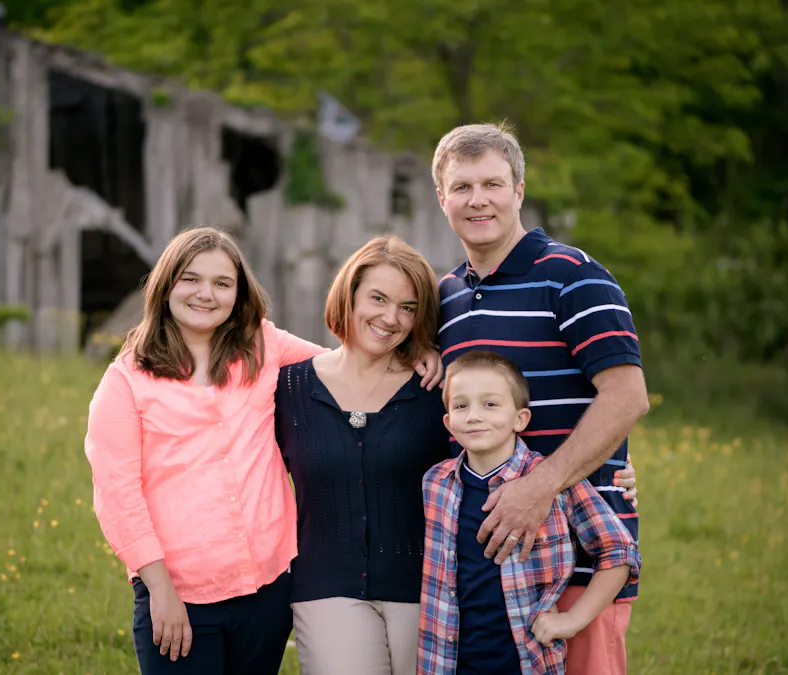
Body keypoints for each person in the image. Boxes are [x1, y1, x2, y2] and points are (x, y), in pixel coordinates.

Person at [82, 227, 442, 675]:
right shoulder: (126, 381)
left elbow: (341, 367)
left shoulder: (262, 346)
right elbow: (118, 495)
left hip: (266, 589)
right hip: (179, 593)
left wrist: (413, 354)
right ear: (165, 284)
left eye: (222, 283)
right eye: (190, 279)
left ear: (238, 293)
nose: (206, 294)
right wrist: (159, 589)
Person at [432, 122, 647, 674]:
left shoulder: (572, 277)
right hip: (479, 574)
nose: (477, 200)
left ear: (519, 191)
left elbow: (626, 398)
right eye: (461, 187)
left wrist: (542, 486)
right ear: (442, 198)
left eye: (492, 184)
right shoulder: (446, 298)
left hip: (574, 566)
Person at [275, 236, 450, 675]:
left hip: (426, 589)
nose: (391, 318)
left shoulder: (435, 391)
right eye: (378, 298)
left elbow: (496, 452)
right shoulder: (290, 389)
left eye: (408, 307)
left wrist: (615, 473)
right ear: (348, 295)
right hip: (326, 586)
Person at [418, 350, 640, 675]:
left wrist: (572, 620)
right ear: (448, 422)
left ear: (520, 418)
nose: (474, 416)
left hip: (527, 661)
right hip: (446, 660)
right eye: (461, 405)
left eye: (490, 404)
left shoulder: (549, 482)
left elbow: (619, 551)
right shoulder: (435, 484)